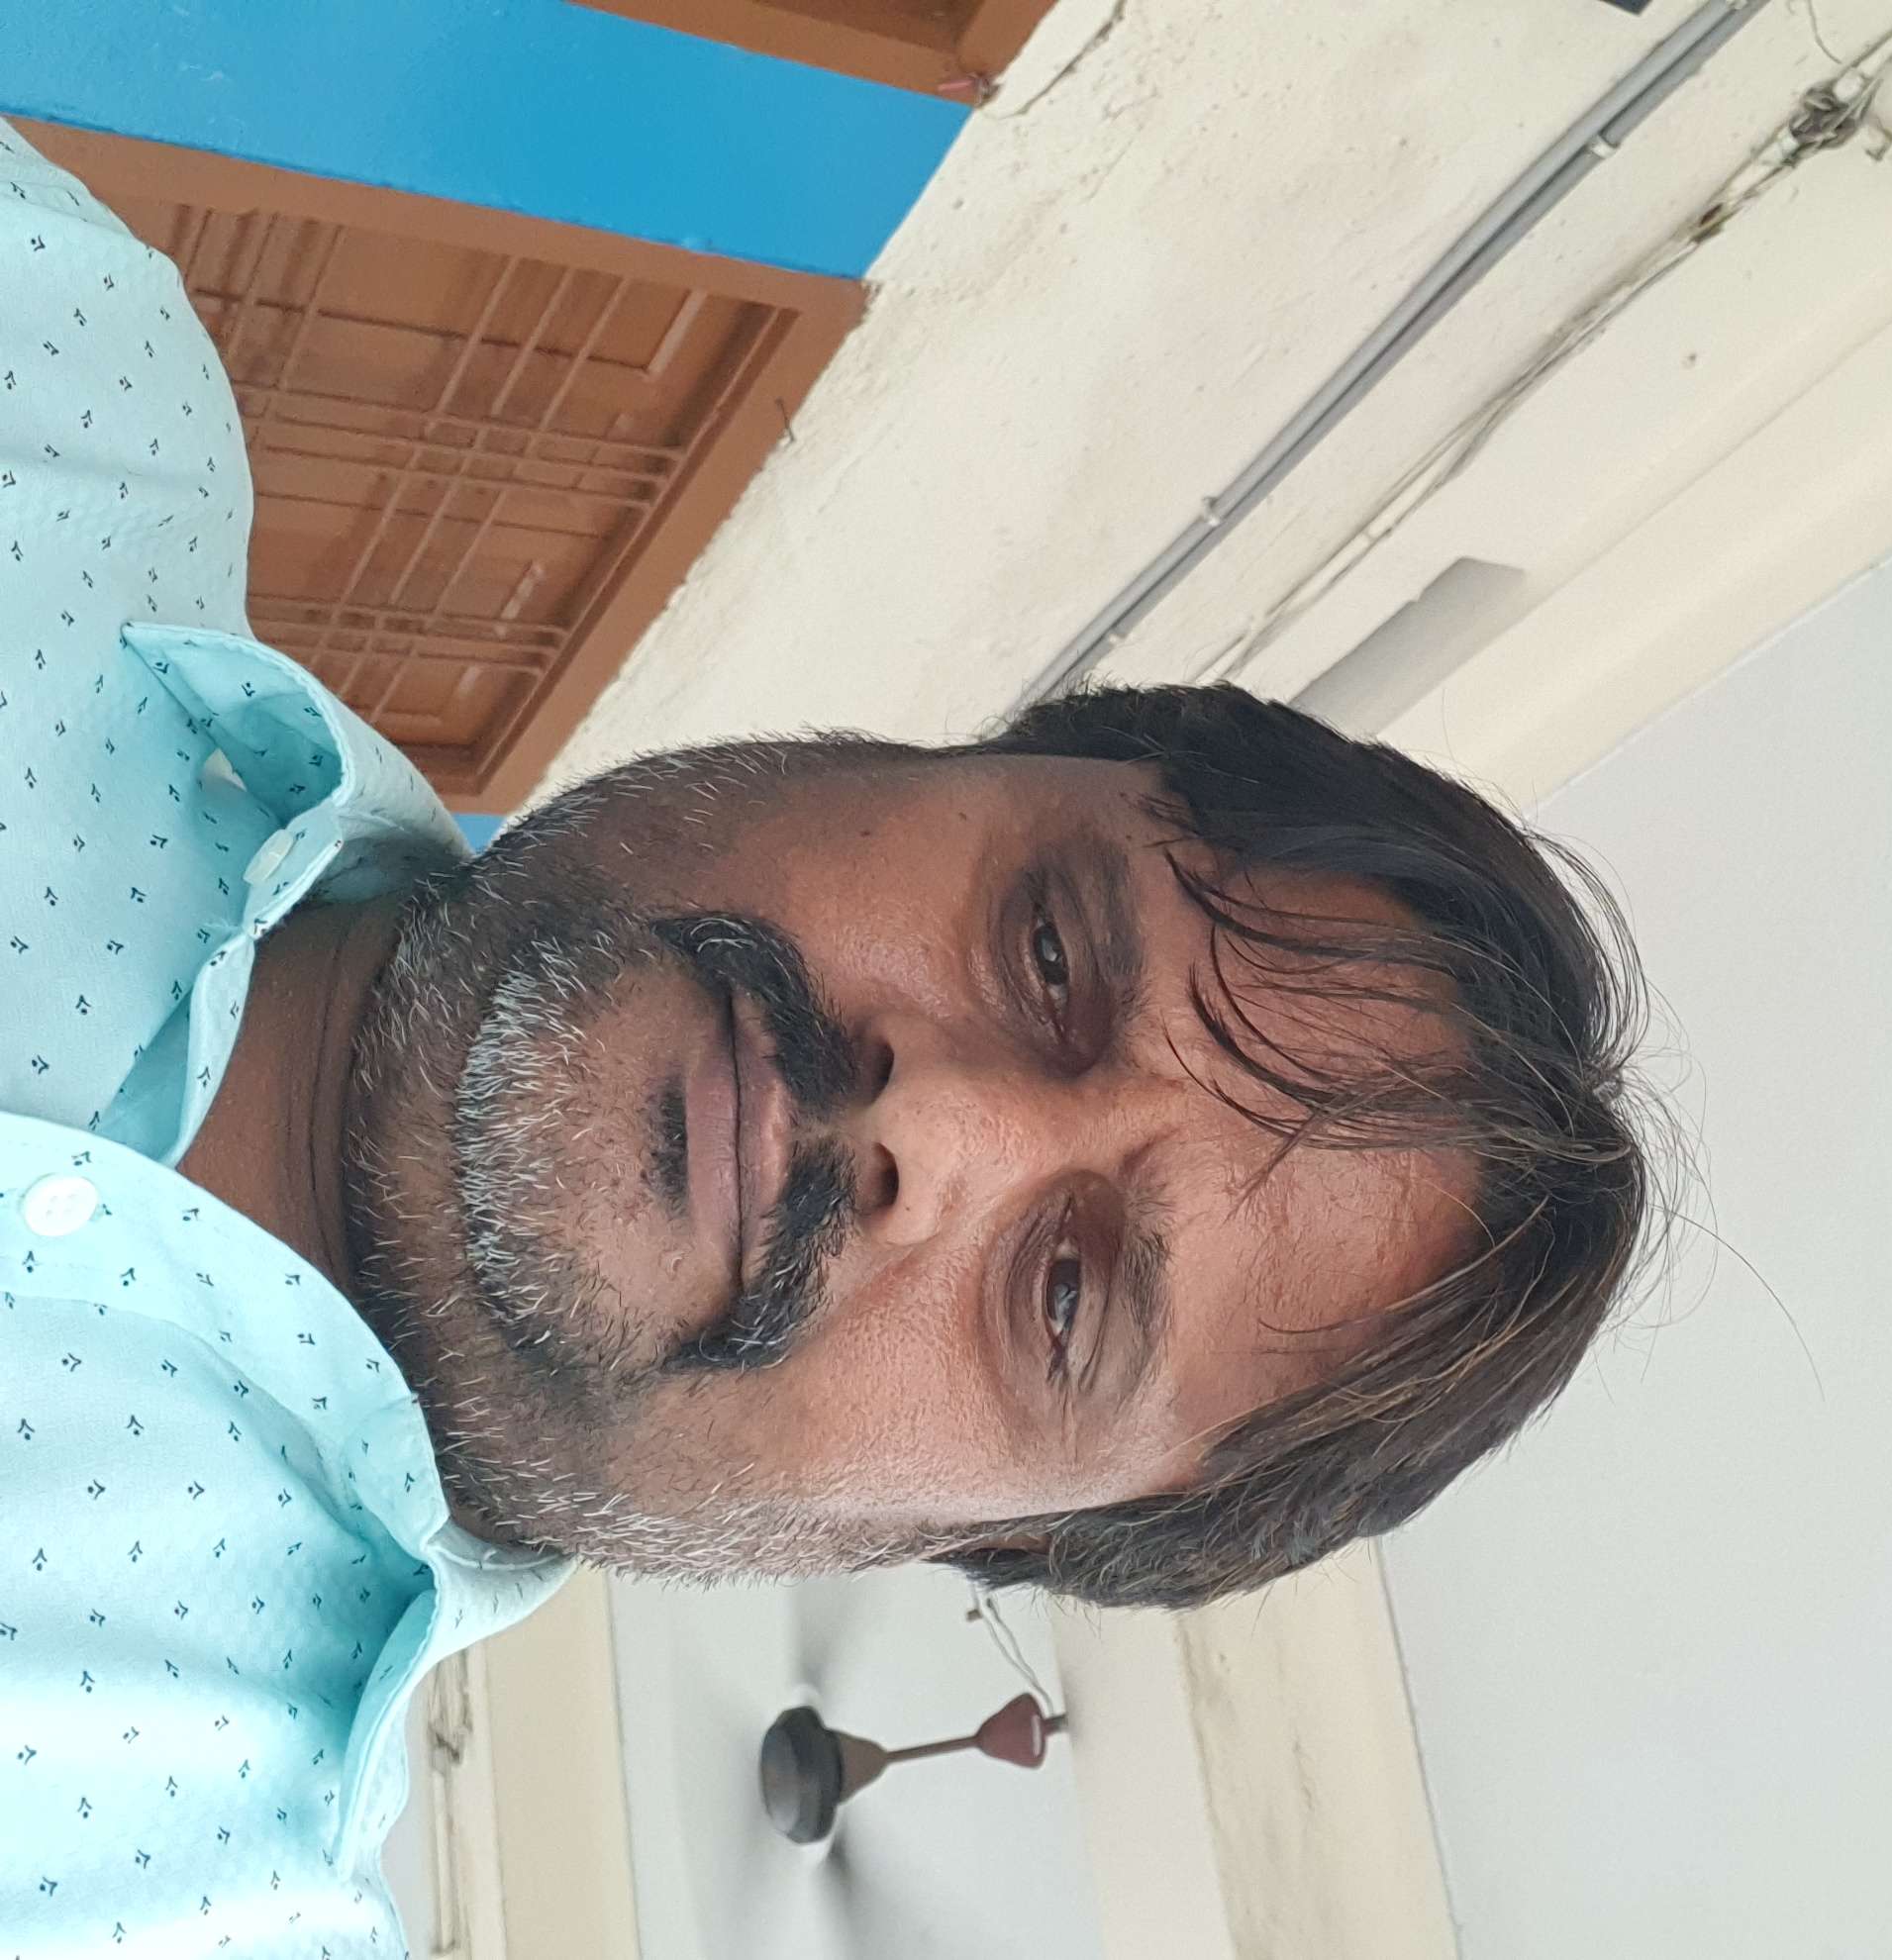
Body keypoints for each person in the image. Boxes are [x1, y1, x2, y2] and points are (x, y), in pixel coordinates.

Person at [0, 114, 1652, 1951]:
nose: (938, 1130)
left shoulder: (173, 1908)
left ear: (965, 1538)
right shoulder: (57, 361)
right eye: (1050, 952)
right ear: (930, 758)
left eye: (1067, 1299)